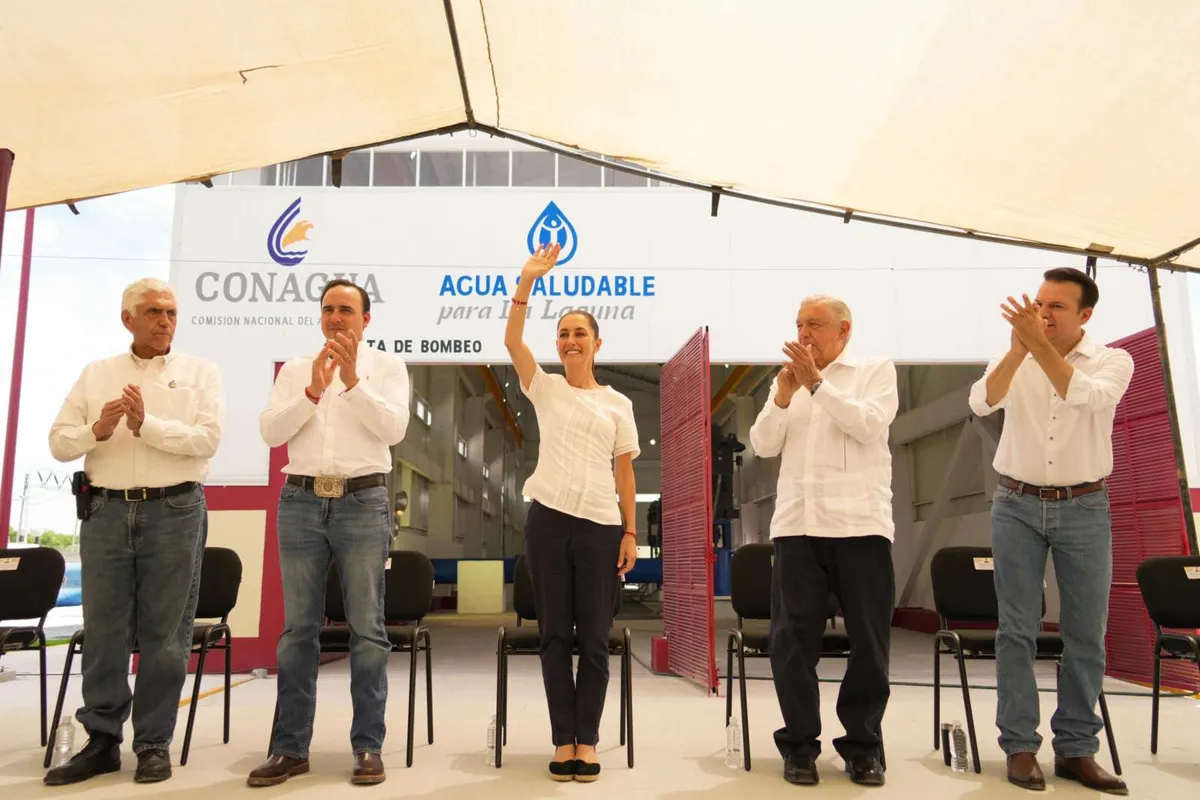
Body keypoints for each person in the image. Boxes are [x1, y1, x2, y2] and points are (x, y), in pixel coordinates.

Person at [45, 278, 224, 786]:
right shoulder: (97, 374)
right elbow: (60, 443)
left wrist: (149, 426)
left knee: (166, 634)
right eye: (153, 312)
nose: (165, 321)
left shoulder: (200, 372)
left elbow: (207, 440)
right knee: (103, 632)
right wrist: (95, 432)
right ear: (128, 319)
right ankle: (101, 740)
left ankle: (152, 743)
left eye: (170, 312)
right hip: (105, 511)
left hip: (175, 509)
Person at [968, 268, 1132, 794]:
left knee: (1086, 632)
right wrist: (1020, 350)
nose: (1043, 313)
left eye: (1057, 306)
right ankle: (1019, 746)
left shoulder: (1112, 361)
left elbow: (1084, 397)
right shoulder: (1015, 355)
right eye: (1039, 302)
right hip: (1015, 502)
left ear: (1085, 315)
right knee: (1016, 629)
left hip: (1085, 506)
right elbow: (980, 401)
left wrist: (1039, 349)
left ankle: (1077, 749)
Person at [249, 279, 411, 787]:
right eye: (328, 310)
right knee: (298, 631)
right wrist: (315, 390)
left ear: (366, 320)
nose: (336, 318)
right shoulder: (297, 370)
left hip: (364, 500)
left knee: (367, 630)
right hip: (299, 500)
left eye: (346, 310)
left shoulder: (387, 367)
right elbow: (272, 432)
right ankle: (289, 748)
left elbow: (394, 430)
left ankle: (368, 746)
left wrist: (353, 381)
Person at [748, 295, 898, 787]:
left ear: (844, 329)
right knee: (791, 644)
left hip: (861, 527)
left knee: (869, 645)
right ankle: (799, 745)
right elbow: (764, 444)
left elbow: (867, 425)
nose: (804, 332)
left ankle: (862, 746)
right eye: (798, 324)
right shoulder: (786, 381)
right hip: (796, 528)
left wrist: (817, 382)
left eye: (813, 323)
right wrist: (785, 395)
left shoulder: (875, 371)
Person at [505, 243, 640, 782]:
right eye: (562, 334)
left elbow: (626, 474)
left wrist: (631, 531)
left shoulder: (618, 405)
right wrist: (526, 281)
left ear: (597, 342)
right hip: (549, 522)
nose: (569, 341)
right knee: (555, 635)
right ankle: (564, 739)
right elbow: (513, 340)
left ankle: (590, 741)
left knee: (594, 641)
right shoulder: (546, 388)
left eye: (579, 333)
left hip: (602, 528)